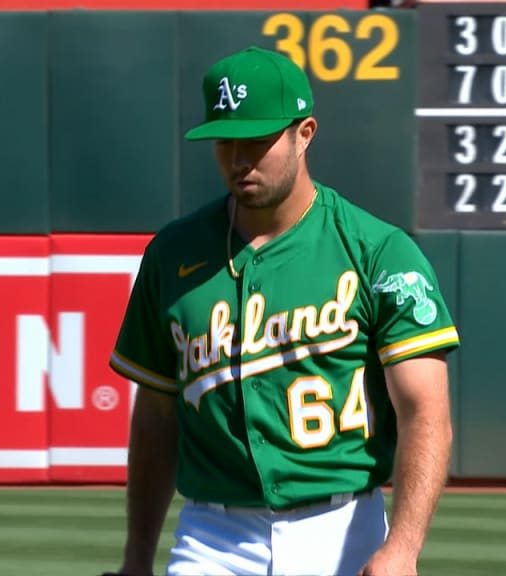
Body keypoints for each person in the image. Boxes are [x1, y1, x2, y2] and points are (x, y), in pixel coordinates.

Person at [104, 46, 460, 576]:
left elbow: (425, 413)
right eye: (225, 140)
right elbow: (156, 417)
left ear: (305, 133)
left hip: (342, 526)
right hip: (212, 535)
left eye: (258, 140)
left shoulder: (378, 252)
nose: (239, 158)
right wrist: (136, 559)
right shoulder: (172, 256)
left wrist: (403, 546)